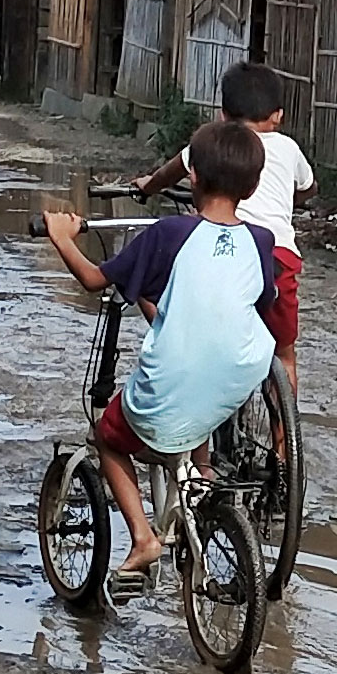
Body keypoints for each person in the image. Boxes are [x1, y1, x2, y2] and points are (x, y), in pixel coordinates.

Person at [45, 120, 280, 588]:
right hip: (243, 371)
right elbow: (249, 302)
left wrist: (61, 237)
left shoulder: (168, 234)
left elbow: (95, 280)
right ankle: (202, 476)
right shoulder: (261, 241)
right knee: (206, 394)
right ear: (252, 187)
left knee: (109, 437)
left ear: (191, 177)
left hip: (182, 376)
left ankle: (143, 538)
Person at [134, 59, 315, 396]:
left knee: (157, 285)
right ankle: (284, 445)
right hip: (278, 258)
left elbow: (166, 175)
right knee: (284, 354)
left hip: (224, 251)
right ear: (278, 115)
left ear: (222, 114)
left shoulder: (210, 143)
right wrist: (289, 198)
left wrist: (146, 187)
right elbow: (308, 188)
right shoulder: (289, 148)